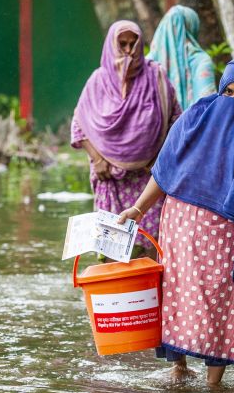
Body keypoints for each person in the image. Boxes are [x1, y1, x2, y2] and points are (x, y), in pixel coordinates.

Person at [118, 54, 234, 385]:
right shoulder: (197, 115)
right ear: (219, 89)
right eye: (229, 92)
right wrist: (137, 209)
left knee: (222, 298)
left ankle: (213, 386)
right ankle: (179, 368)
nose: (233, 101)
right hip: (180, 221)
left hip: (227, 227)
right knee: (178, 292)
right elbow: (166, 169)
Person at [71, 20, 182, 254]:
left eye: (134, 44)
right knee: (111, 248)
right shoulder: (98, 81)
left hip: (148, 178)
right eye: (122, 45)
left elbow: (176, 121)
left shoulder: (157, 78)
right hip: (110, 176)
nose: (129, 51)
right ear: (112, 46)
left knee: (151, 243)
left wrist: (159, 159)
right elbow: (79, 123)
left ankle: (150, 288)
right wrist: (98, 159)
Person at [146, 5, 217, 110]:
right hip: (192, 125)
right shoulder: (200, 60)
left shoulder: (146, 63)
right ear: (192, 27)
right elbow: (208, 105)